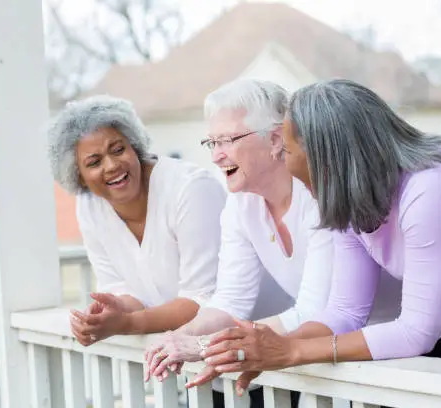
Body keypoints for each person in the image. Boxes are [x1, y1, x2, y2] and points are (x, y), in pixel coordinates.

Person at [191, 79, 441, 394]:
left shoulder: (432, 189)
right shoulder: (348, 204)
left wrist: (292, 350)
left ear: (332, 160)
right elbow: (345, 311)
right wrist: (269, 351)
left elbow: (416, 331)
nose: (306, 192)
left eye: (305, 178)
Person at [144, 79, 406, 407]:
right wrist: (183, 335)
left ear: (275, 139)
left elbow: (314, 310)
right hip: (337, 357)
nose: (216, 155)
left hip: (401, 350)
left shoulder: (318, 194)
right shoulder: (241, 206)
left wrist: (206, 346)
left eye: (227, 140)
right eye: (210, 142)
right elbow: (229, 300)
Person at [46, 95, 226, 345]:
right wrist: (110, 311)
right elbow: (121, 289)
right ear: (79, 176)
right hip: (183, 362)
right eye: (94, 162)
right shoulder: (90, 205)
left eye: (118, 149)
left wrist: (128, 323)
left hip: (259, 364)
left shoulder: (191, 189)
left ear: (135, 146)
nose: (111, 165)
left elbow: (205, 300)